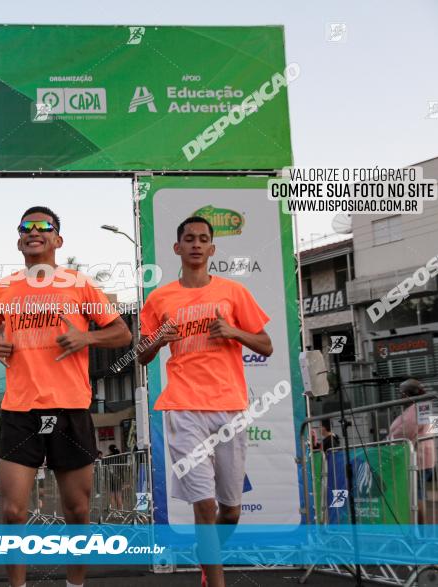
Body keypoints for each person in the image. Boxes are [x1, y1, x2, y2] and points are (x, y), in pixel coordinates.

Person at [0, 206, 132, 587]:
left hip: (70, 410)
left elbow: (123, 334)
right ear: (19, 240)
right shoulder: (2, 289)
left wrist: (87, 336)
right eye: (26, 227)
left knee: (77, 510)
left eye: (44, 226)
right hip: (19, 411)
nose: (35, 231)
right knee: (13, 512)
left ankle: (74, 583)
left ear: (57, 240)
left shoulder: (79, 285)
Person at [138, 216, 273, 587]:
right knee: (204, 505)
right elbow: (140, 355)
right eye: (189, 239)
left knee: (229, 512)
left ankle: (207, 554)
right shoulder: (160, 298)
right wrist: (158, 340)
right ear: (176, 248)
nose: (196, 244)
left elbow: (266, 345)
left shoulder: (233, 293)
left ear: (212, 249)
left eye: (203, 239)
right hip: (183, 407)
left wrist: (234, 331)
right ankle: (215, 580)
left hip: (229, 406)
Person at [389, 378, 435, 524]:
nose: (399, 397)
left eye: (401, 394)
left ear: (408, 394)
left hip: (419, 458)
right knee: (416, 494)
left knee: (417, 495)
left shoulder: (419, 407)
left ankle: (420, 529)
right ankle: (418, 529)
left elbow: (407, 429)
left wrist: (389, 438)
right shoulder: (417, 407)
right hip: (417, 456)